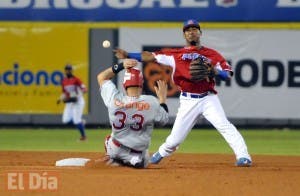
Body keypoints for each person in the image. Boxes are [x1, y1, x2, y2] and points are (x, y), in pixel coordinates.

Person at [114, 19, 252, 167]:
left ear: (200, 33)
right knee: (175, 139)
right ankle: (161, 152)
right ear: (184, 35)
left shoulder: (212, 54)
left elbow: (229, 74)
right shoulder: (175, 54)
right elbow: (150, 56)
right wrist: (128, 54)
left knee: (225, 126)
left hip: (208, 98)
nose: (191, 32)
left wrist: (215, 71)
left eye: (194, 29)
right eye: (187, 30)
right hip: (188, 100)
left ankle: (244, 156)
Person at [97, 59, 169, 168]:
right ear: (141, 83)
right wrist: (162, 100)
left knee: (108, 140)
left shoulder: (114, 98)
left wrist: (121, 65)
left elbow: (101, 77)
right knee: (143, 155)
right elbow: (164, 120)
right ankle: (132, 159)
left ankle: (116, 158)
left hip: (116, 148)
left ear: (124, 84)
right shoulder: (151, 101)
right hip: (139, 153)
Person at [57, 65, 87, 141]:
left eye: (69, 70)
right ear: (65, 71)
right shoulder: (64, 81)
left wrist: (79, 94)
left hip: (78, 101)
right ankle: (81, 122)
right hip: (70, 101)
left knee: (76, 120)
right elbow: (64, 93)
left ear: (71, 71)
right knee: (65, 120)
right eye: (66, 70)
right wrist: (60, 99)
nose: (68, 71)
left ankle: (83, 137)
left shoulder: (76, 80)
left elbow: (84, 89)